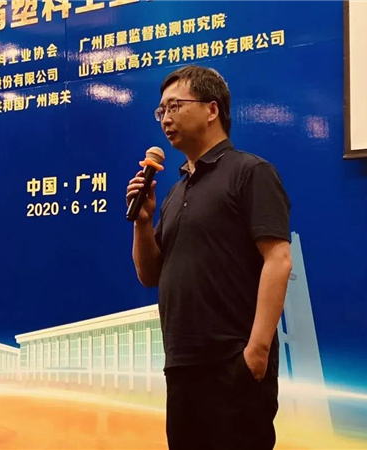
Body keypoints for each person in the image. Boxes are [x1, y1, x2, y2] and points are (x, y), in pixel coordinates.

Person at [126, 65, 293, 450]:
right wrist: (143, 222)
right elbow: (149, 275)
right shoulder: (174, 192)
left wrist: (256, 353)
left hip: (234, 365)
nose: (166, 119)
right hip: (182, 367)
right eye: (161, 111)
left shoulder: (250, 172)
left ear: (212, 109)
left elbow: (279, 260)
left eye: (175, 106)